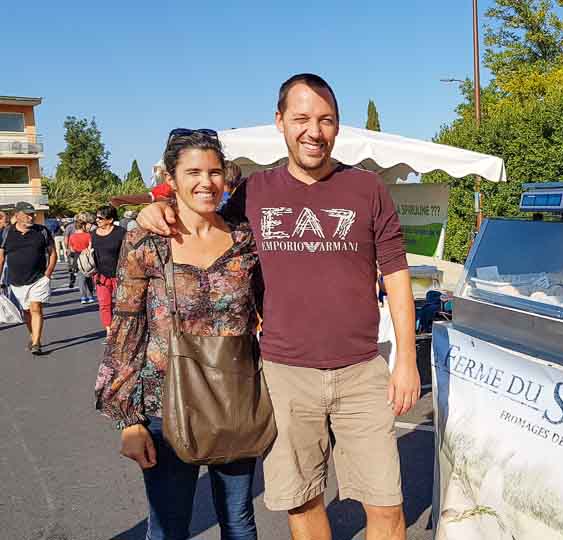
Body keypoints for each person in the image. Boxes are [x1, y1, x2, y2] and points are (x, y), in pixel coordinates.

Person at [138, 73, 420, 540]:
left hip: (361, 372)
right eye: (302, 118)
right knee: (302, 501)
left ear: (337, 125)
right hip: (284, 373)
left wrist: (406, 360)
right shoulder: (254, 193)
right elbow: (201, 224)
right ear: (280, 123)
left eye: (326, 120)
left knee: (388, 505)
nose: (314, 131)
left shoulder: (367, 188)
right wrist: (157, 209)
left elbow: (396, 275)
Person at [95, 131, 260, 540]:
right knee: (169, 527)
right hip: (164, 406)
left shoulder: (244, 236)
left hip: (234, 399)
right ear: (171, 177)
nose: (206, 181)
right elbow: (127, 326)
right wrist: (127, 421)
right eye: (193, 172)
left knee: (239, 521)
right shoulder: (147, 239)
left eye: (214, 171)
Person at [0, 202, 57, 354]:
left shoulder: (42, 231)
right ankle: (33, 336)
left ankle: (37, 343)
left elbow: (52, 253)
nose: (31, 217)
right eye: (27, 214)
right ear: (17, 215)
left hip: (38, 279)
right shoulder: (7, 233)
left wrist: (48, 273)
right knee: (26, 311)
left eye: (32, 214)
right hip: (16, 281)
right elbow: (1, 257)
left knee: (35, 308)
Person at [91, 206, 126, 336]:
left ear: (110, 219)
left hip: (120, 274)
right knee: (104, 304)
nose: (97, 220)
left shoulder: (121, 232)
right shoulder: (93, 234)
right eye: (97, 217)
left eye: (100, 218)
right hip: (101, 275)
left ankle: (122, 329)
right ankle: (109, 331)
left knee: (122, 304)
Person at [67, 215, 96, 304]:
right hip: (87, 257)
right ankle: (91, 296)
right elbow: (90, 246)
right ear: (83, 226)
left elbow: (71, 248)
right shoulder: (88, 235)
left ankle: (83, 297)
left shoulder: (72, 236)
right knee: (89, 277)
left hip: (77, 257)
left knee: (81, 279)